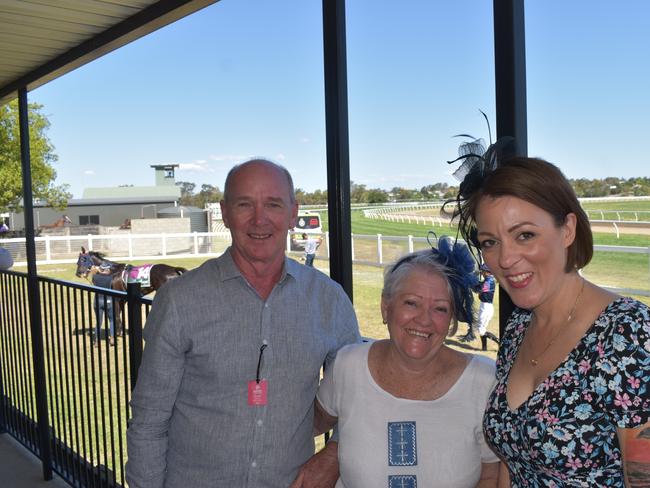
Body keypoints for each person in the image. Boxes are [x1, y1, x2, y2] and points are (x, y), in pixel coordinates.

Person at [126, 159, 360, 488]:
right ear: (225, 213)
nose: (259, 219)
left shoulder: (329, 301)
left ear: (293, 213)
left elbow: (359, 396)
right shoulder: (180, 301)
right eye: (244, 204)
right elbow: (149, 421)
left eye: (274, 204)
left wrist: (333, 453)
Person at [449, 150, 650, 486]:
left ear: (567, 229)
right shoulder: (518, 329)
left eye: (524, 235)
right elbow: (510, 465)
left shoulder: (628, 333)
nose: (506, 258)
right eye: (490, 242)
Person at [308, 238, 500, 488]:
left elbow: (491, 476)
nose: (424, 320)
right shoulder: (348, 365)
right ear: (386, 307)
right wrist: (333, 449)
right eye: (411, 303)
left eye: (440, 309)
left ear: (452, 321)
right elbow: (307, 424)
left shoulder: (484, 382)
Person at [461, 264, 498, 351]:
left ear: (487, 272)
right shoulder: (488, 279)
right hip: (484, 306)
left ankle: (497, 342)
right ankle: (484, 348)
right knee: (481, 329)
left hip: (486, 307)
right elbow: (479, 285)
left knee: (481, 329)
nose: (481, 272)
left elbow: (478, 289)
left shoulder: (489, 281)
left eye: (483, 271)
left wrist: (471, 281)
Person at [91, 264, 116, 346]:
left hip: (98, 300)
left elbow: (94, 277)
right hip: (109, 300)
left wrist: (97, 270)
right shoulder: (111, 277)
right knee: (112, 320)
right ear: (108, 270)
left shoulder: (95, 277)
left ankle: (96, 341)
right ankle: (112, 338)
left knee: (99, 322)